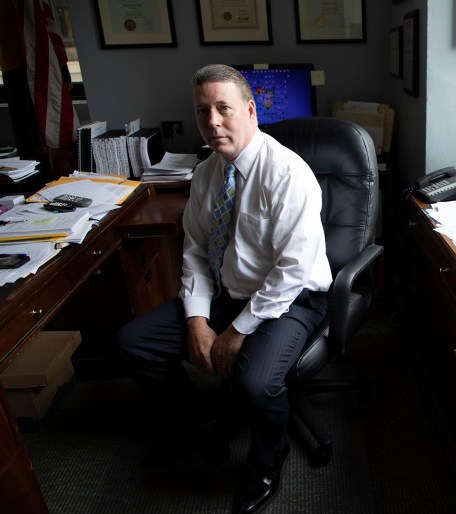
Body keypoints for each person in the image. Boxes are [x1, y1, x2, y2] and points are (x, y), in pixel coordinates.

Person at [115, 64, 332, 514]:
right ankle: (200, 418)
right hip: (224, 294)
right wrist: (197, 319)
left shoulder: (288, 173)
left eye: (222, 109)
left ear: (250, 111)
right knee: (132, 343)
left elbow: (292, 270)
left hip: (290, 300)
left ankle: (270, 458)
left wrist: (236, 331)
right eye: (201, 112)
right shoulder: (207, 174)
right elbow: (194, 251)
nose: (212, 122)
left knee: (256, 381)